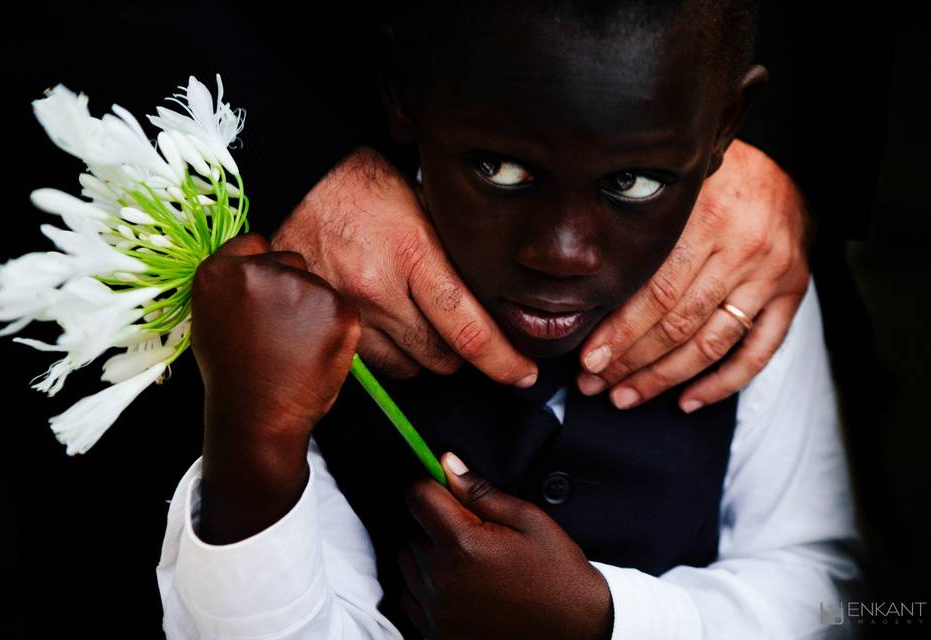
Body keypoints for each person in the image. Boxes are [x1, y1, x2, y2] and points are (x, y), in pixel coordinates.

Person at [156, 1, 862, 638]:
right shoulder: (312, 326)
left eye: (632, 183)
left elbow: (827, 595)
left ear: (725, 132)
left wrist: (604, 621)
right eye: (498, 169)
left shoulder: (740, 287)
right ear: (404, 96)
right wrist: (257, 442)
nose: (561, 253)